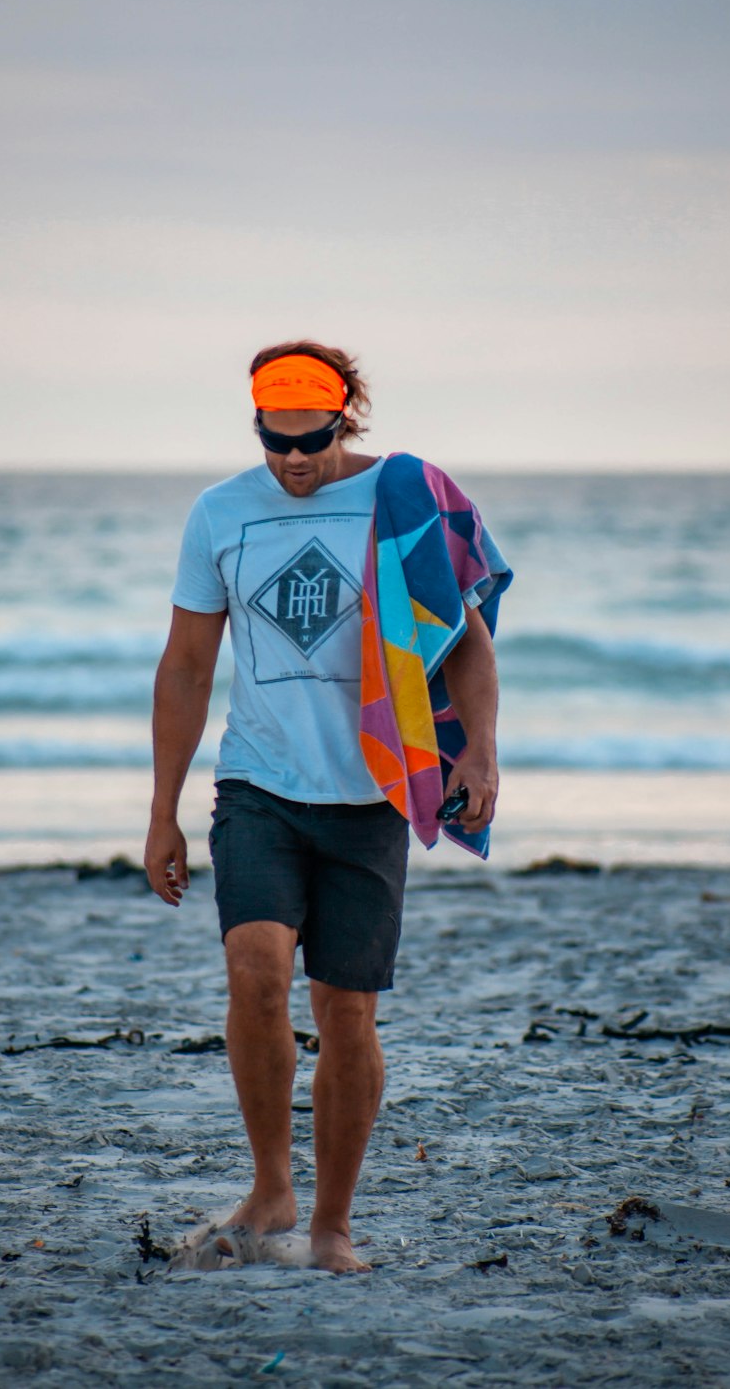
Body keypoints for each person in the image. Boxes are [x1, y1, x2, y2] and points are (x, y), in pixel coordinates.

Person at [143, 341, 500, 1274]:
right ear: (256, 426)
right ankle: (271, 1188)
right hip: (258, 787)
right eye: (276, 441)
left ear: (347, 420)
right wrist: (161, 810)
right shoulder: (219, 513)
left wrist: (484, 756)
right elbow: (185, 668)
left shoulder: (403, 500)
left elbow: (462, 645)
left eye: (312, 439)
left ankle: (332, 1225)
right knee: (254, 974)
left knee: (347, 1013)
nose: (294, 460)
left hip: (372, 793)